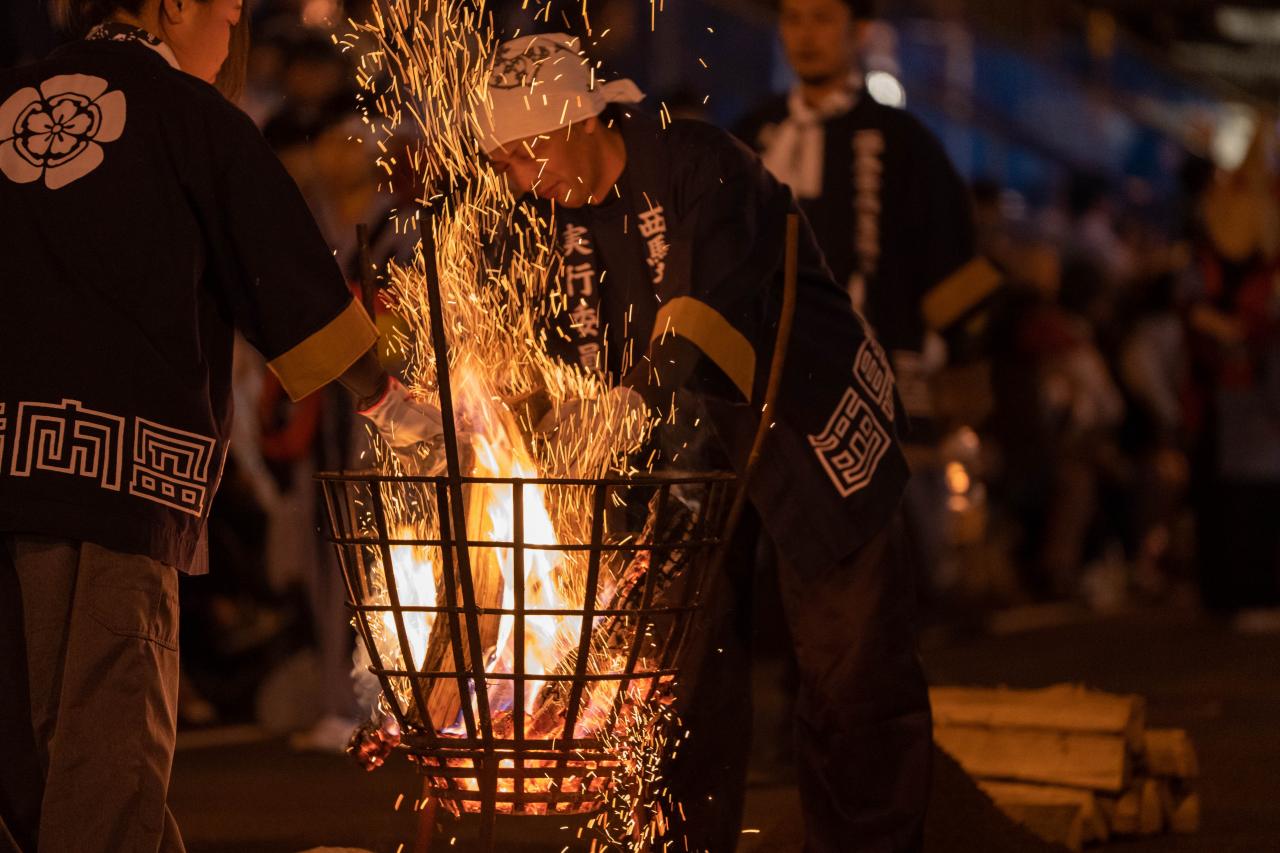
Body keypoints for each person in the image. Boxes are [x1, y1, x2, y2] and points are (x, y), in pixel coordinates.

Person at [0, 2, 441, 851]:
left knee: (18, 761)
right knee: (105, 755)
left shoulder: (10, 98)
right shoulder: (189, 116)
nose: (234, 36)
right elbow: (288, 281)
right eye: (230, 13)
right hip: (114, 480)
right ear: (174, 5)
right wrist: (386, 397)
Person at [475, 32, 931, 852]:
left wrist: (634, 410)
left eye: (522, 156)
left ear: (577, 122)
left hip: (806, 420)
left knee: (847, 671)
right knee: (680, 677)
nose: (515, 179)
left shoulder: (697, 161)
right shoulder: (550, 221)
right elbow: (546, 363)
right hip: (683, 456)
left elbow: (704, 314)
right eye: (503, 162)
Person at [736, 0, 999, 590]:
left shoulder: (902, 140)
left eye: (823, 19)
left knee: (877, 547)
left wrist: (959, 361)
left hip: (873, 360)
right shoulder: (750, 134)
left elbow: (950, 254)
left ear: (859, 31)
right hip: (763, 370)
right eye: (794, 19)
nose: (806, 36)